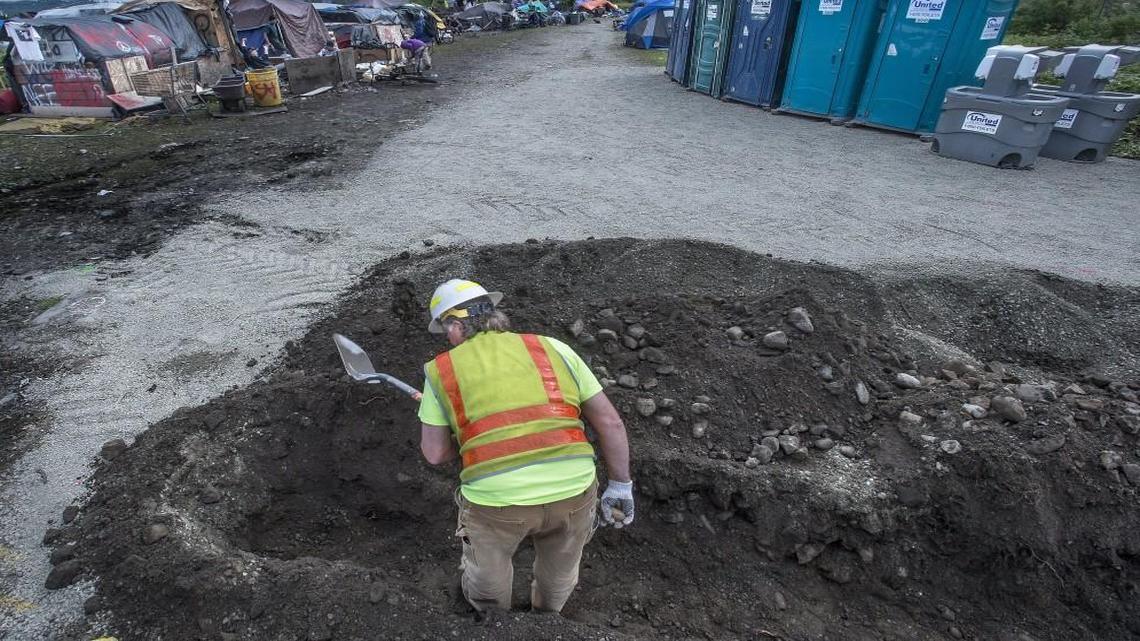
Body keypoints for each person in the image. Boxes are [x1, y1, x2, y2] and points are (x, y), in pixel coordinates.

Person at [417, 279, 634, 617]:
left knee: (487, 583)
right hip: (573, 490)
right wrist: (621, 485)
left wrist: (466, 432)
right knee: (560, 573)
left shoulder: (441, 371)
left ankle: (494, 622)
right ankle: (548, 621)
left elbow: (435, 454)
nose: (448, 338)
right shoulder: (552, 347)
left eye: (446, 329)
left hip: (497, 501)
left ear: (457, 324)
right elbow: (611, 423)